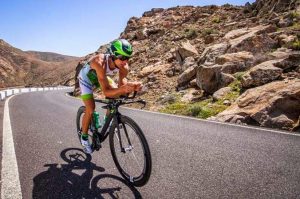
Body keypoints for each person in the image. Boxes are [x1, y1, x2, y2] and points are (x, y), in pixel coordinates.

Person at [78, 39, 142, 154]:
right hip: (86, 79)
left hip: (100, 77)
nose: (125, 61)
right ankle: (84, 137)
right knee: (90, 108)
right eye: (122, 58)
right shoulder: (99, 61)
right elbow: (106, 92)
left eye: (128, 58)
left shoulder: (124, 66)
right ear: (113, 55)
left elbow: (121, 86)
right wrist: (122, 89)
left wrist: (130, 88)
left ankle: (107, 120)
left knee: (116, 95)